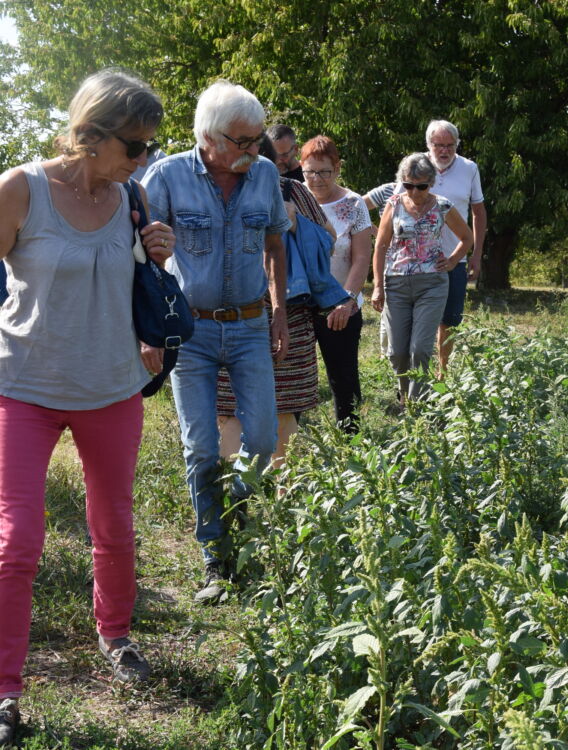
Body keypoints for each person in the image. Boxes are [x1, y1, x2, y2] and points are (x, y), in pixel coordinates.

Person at [0, 69, 175, 745]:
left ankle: (117, 635)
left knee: (115, 525)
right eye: (137, 146)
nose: (144, 161)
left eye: (151, 149)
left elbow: (135, 280)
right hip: (24, 386)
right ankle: (6, 691)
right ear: (93, 135)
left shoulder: (130, 195)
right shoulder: (21, 190)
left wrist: (156, 253)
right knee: (16, 542)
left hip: (111, 386)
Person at [142, 81, 290, 604]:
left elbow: (275, 243)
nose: (255, 151)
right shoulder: (166, 177)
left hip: (251, 325)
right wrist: (149, 328)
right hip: (194, 331)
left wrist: (279, 311)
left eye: (257, 140)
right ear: (209, 136)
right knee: (202, 446)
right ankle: (216, 558)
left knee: (265, 441)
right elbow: (143, 260)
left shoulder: (267, 175)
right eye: (244, 141)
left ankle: (238, 517)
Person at [217, 135, 355, 464]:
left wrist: (295, 223)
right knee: (228, 407)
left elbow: (329, 240)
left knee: (281, 407)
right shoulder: (214, 189)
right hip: (229, 318)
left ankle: (280, 490)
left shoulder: (292, 192)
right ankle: (239, 495)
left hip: (287, 317)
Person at [364, 119, 486, 373]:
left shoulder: (469, 168)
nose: (443, 150)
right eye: (438, 145)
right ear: (428, 145)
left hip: (450, 259)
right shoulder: (414, 166)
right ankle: (407, 378)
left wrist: (474, 255)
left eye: (449, 145)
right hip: (406, 268)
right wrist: (379, 236)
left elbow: (478, 212)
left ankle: (442, 372)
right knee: (406, 333)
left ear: (456, 144)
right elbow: (393, 206)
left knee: (449, 320)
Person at [372, 153, 473, 403]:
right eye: (409, 185)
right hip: (396, 283)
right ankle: (405, 395)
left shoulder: (442, 205)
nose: (415, 192)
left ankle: (418, 405)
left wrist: (451, 261)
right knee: (397, 352)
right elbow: (381, 245)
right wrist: (377, 287)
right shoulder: (393, 204)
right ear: (402, 182)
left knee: (420, 349)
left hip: (432, 284)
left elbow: (467, 238)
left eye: (421, 186)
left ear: (432, 182)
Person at [300, 135, 372, 431]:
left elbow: (361, 258)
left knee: (343, 377)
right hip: (298, 307)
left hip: (340, 307)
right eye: (310, 172)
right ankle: (285, 440)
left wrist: (346, 300)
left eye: (324, 172)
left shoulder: (354, 204)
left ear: (337, 168)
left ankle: (351, 440)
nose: (317, 179)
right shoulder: (292, 200)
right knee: (291, 378)